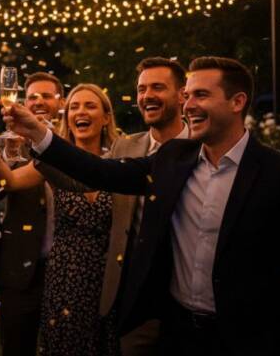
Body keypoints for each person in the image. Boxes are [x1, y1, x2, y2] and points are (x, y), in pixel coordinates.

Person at [2, 56, 280, 356]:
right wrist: (37, 132)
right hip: (178, 333)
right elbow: (101, 172)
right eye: (187, 96)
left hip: (246, 339)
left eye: (201, 95)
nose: (189, 106)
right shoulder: (174, 158)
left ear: (237, 101)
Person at [0, 83, 121, 356]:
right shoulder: (54, 160)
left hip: (108, 276)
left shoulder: (122, 160)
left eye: (90, 106)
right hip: (63, 275)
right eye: (75, 107)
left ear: (107, 117)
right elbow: (10, 181)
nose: (81, 112)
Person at [105, 57, 189, 356]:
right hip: (135, 297)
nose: (146, 96)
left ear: (182, 95)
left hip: (190, 300)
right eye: (141, 89)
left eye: (157, 87)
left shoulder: (203, 147)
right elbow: (91, 176)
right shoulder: (124, 147)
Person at [0, 72, 63, 356]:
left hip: (67, 271)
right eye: (32, 97)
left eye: (46, 96)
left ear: (60, 102)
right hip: (19, 272)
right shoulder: (13, 141)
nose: (39, 102)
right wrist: (2, 153)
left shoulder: (73, 140)